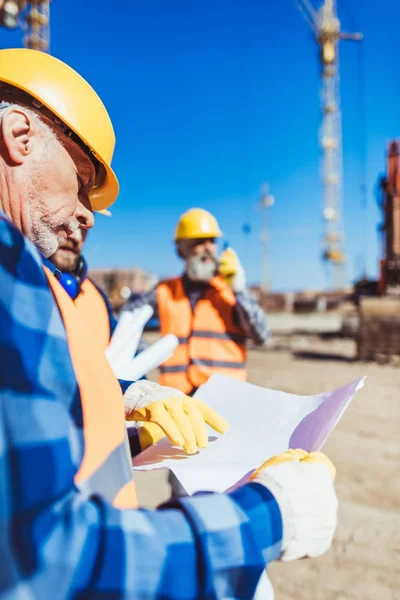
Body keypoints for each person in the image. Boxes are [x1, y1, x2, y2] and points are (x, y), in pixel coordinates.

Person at [0, 48, 338, 599]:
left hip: (212, 430)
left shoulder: (232, 292)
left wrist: (127, 410)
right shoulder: (134, 290)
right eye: (83, 179)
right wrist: (264, 519)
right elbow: (45, 559)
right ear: (18, 135)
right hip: (174, 466)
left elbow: (30, 444)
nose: (87, 213)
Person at [125, 208, 269, 395]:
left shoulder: (232, 290)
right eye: (199, 242)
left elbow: (261, 335)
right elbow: (126, 322)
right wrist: (152, 356)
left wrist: (240, 290)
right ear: (180, 249)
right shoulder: (164, 290)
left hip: (226, 399)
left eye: (212, 241)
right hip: (177, 398)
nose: (208, 248)